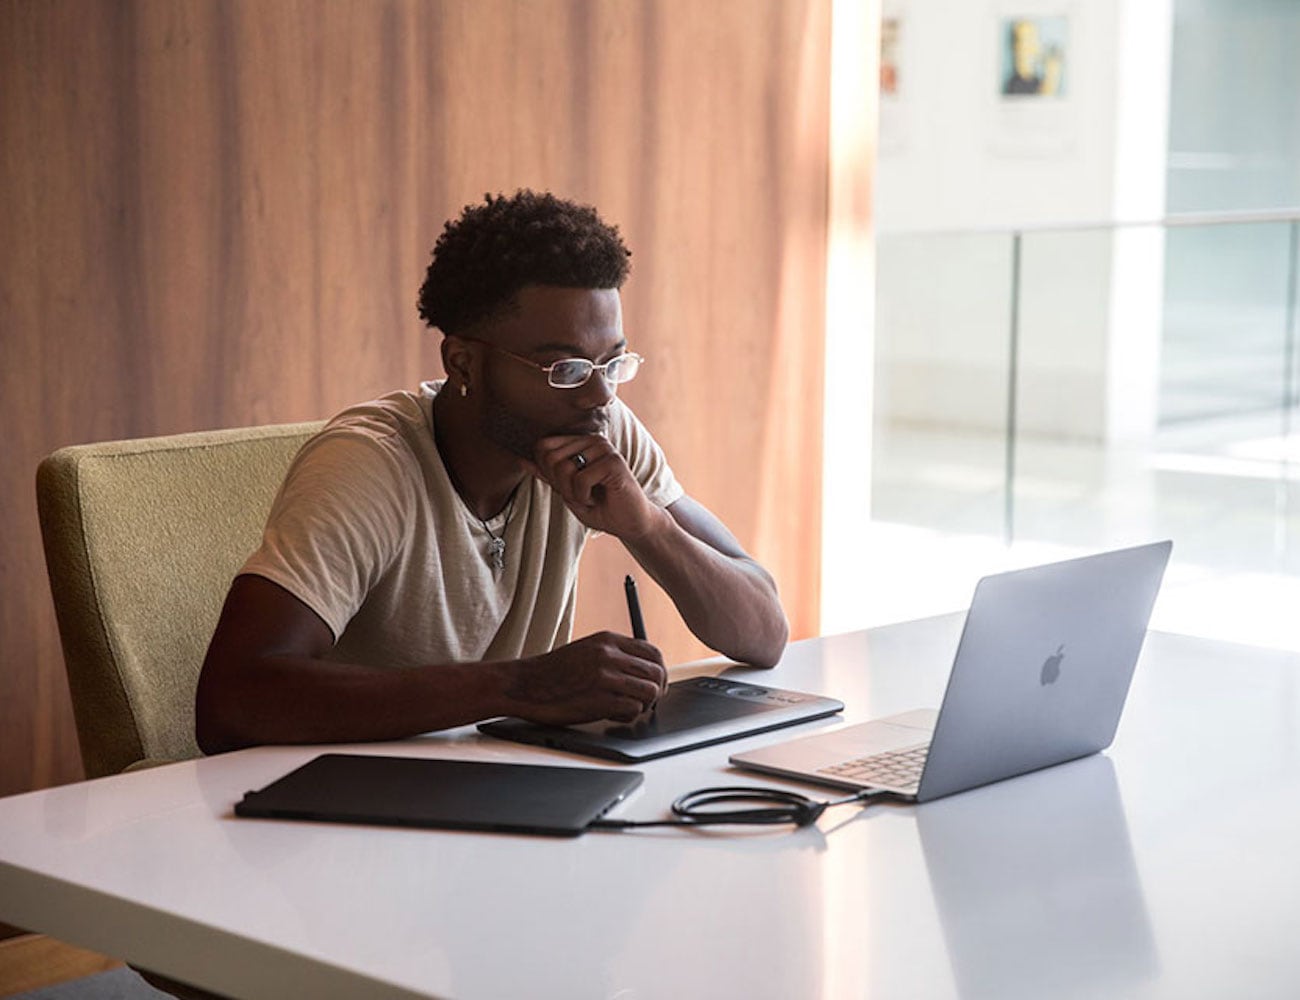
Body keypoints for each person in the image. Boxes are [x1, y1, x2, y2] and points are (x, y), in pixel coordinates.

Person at [195, 190, 789, 754]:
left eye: (612, 362)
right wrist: (519, 687)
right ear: (462, 362)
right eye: (564, 366)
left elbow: (764, 633)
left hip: (494, 788)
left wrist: (648, 528)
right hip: (348, 814)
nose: (599, 394)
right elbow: (231, 703)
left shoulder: (599, 429)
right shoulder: (369, 465)